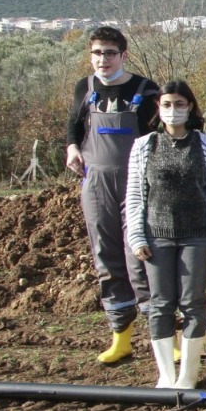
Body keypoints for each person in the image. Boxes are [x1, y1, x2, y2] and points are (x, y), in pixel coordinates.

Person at [124, 80, 206, 389]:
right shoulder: (144, 146)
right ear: (159, 108)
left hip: (197, 236)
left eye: (179, 104)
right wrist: (137, 236)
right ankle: (166, 375)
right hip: (156, 237)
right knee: (160, 303)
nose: (173, 110)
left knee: (193, 302)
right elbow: (134, 195)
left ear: (191, 108)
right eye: (167, 105)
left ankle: (188, 375)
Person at [65, 25, 160, 365]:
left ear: (123, 55)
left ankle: (160, 335)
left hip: (137, 185)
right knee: (106, 257)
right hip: (96, 184)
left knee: (141, 258)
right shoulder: (85, 88)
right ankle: (121, 336)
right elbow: (74, 125)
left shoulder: (146, 90)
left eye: (109, 53)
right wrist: (72, 148)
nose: (102, 59)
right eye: (96, 53)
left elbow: (160, 137)